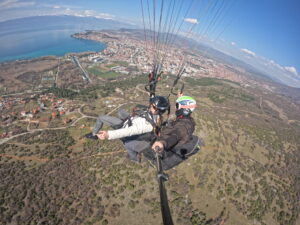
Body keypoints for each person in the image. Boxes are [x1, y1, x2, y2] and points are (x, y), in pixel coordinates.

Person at [85, 96, 170, 162]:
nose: (151, 107)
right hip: (130, 120)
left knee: (101, 118)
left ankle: (135, 159)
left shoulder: (147, 125)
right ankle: (94, 133)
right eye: (151, 105)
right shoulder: (154, 113)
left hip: (125, 126)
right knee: (120, 111)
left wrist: (108, 134)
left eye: (154, 107)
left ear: (159, 110)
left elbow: (129, 131)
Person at [143, 95, 198, 170]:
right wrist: (180, 97)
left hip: (165, 147)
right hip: (166, 136)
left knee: (142, 144)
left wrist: (163, 143)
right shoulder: (187, 120)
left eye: (177, 106)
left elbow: (175, 135)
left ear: (185, 109)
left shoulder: (182, 127)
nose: (175, 108)